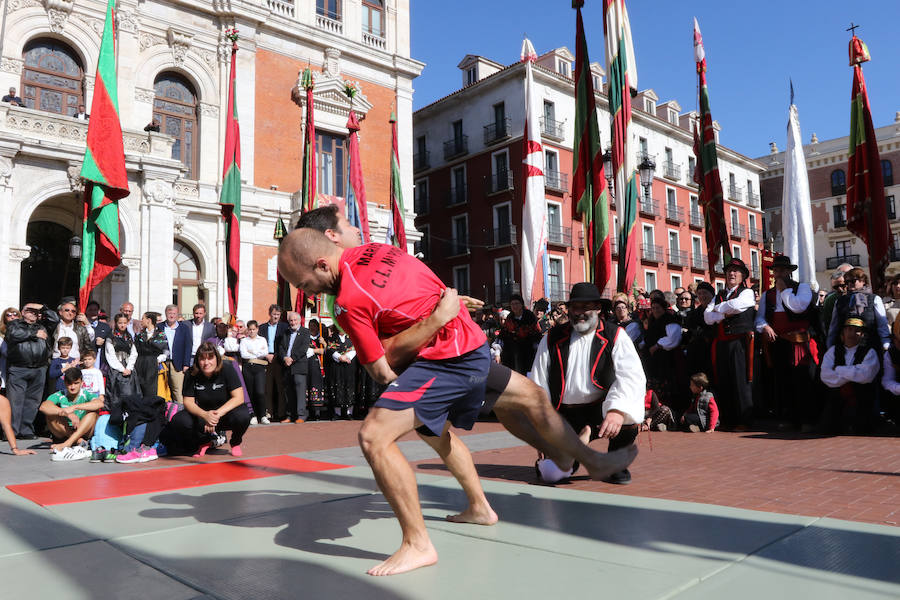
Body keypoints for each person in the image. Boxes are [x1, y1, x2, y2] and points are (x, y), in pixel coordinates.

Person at [278, 229, 637, 576]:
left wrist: (434, 323)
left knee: (374, 437)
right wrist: (444, 308)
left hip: (444, 360)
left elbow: (382, 369)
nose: (306, 293)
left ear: (322, 264)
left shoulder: (346, 302)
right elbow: (416, 289)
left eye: (304, 284)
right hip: (469, 342)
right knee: (516, 402)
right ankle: (489, 503)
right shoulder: (381, 249)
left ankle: (417, 544)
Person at [529, 283, 645, 484]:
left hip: (600, 409)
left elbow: (631, 376)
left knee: (627, 418)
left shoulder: (615, 335)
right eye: (575, 307)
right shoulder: (551, 338)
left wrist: (616, 411)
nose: (580, 313)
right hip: (564, 415)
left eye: (586, 307)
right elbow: (538, 384)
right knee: (553, 475)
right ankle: (572, 450)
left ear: (598, 308)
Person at [755, 255, 818, 429]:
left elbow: (798, 307)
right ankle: (789, 418)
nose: (778, 273)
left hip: (799, 343)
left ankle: (807, 419)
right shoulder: (767, 295)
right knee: (782, 381)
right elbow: (760, 318)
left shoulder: (802, 288)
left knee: (802, 380)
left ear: (789, 271)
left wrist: (784, 291)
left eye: (782, 270)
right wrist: (765, 326)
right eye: (776, 270)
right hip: (779, 343)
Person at [162, 342, 250, 457]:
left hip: (225, 413)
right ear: (197, 360)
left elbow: (239, 398)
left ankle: (235, 442)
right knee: (179, 420)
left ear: (217, 358)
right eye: (202, 359)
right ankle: (204, 441)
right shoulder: (191, 373)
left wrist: (216, 415)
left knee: (243, 416)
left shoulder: (227, 368)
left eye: (210, 358)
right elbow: (188, 402)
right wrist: (205, 415)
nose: (206, 362)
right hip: (203, 415)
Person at [704, 258, 756, 430]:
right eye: (729, 271)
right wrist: (724, 313)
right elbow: (707, 317)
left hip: (739, 343)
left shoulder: (746, 292)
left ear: (742, 276)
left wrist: (718, 309)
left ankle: (744, 420)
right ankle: (728, 419)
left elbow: (738, 305)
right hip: (722, 344)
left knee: (741, 380)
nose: (731, 274)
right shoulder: (719, 294)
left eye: (735, 271)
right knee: (724, 379)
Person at [6, 302, 59, 438]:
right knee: (15, 401)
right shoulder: (15, 324)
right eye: (29, 310)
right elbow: (13, 335)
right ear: (23, 313)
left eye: (35, 311)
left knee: (33, 401)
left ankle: (26, 430)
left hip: (39, 368)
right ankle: (12, 431)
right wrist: (34, 334)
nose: (33, 313)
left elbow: (55, 319)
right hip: (19, 368)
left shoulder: (42, 326)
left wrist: (43, 307)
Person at [820, 317, 879, 434]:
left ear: (862, 335)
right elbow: (825, 376)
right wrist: (854, 373)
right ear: (843, 332)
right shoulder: (833, 351)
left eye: (857, 331)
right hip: (836, 403)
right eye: (849, 329)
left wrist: (837, 369)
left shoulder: (870, 352)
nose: (852, 333)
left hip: (861, 402)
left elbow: (866, 376)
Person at [39, 368, 102, 459]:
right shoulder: (60, 394)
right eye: (69, 384)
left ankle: (68, 443)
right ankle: (77, 440)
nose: (72, 387)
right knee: (50, 414)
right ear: (65, 383)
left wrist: (74, 407)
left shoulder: (86, 394)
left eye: (76, 383)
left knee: (93, 414)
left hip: (83, 431)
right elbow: (43, 407)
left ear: (82, 382)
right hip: (65, 432)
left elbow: (99, 403)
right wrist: (67, 414)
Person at [827, 268, 891, 352]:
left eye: (853, 281)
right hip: (845, 348)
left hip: (870, 346)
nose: (849, 284)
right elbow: (834, 327)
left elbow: (882, 324)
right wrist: (830, 346)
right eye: (847, 282)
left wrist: (886, 343)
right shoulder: (840, 301)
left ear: (863, 281)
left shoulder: (874, 299)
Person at [276, 311, 311, 423]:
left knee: (300, 391)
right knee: (288, 391)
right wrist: (285, 358)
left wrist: (292, 358)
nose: (293, 322)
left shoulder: (305, 332)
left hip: (299, 365)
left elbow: (303, 349)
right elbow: (281, 347)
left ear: (299, 321)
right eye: (291, 320)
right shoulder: (286, 333)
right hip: (287, 366)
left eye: (295, 320)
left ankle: (301, 415)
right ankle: (290, 415)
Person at [258, 304, 288, 422]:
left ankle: (281, 413)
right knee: (267, 387)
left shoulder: (284, 327)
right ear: (269, 314)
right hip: (266, 359)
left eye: (278, 315)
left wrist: (277, 355)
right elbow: (259, 343)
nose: (276, 317)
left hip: (279, 359)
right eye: (274, 314)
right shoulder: (262, 328)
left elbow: (285, 344)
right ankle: (268, 412)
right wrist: (266, 355)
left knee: (280, 387)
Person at [499, 294, 542, 375]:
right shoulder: (509, 318)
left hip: (528, 351)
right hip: (513, 353)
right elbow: (504, 335)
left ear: (521, 304)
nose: (514, 306)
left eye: (516, 303)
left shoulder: (530, 316)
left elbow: (536, 333)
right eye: (512, 304)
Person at [105, 314, 140, 407]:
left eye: (124, 323)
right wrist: (121, 369)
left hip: (128, 367)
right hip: (116, 368)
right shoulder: (111, 337)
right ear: (116, 323)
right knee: (116, 393)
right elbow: (110, 355)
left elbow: (134, 353)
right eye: (120, 323)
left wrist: (129, 368)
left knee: (130, 392)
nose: (122, 325)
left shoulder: (129, 337)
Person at [159, 304, 191, 403]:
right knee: (163, 390)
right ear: (166, 314)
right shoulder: (159, 327)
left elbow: (188, 346)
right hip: (162, 363)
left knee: (178, 390)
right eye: (169, 313)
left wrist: (186, 364)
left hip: (178, 364)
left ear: (177, 314)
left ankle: (180, 410)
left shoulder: (184, 328)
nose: (171, 315)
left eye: (174, 313)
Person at [240, 320, 270, 424]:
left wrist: (252, 352)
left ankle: (263, 415)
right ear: (247, 330)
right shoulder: (244, 341)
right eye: (250, 329)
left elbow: (265, 352)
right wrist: (257, 353)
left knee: (260, 392)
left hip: (259, 367)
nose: (252, 331)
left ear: (257, 329)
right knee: (250, 392)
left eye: (254, 329)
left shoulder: (262, 340)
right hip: (248, 367)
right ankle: (253, 415)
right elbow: (244, 354)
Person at [134, 312, 168, 397]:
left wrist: (158, 360)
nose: (141, 321)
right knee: (140, 387)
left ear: (149, 320)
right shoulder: (140, 335)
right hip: (140, 363)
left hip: (153, 363)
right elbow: (135, 350)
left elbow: (166, 350)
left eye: (143, 318)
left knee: (152, 388)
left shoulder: (160, 334)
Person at [328, 328, 357, 419]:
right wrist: (339, 357)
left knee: (349, 386)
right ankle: (338, 412)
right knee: (337, 386)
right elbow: (330, 349)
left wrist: (347, 356)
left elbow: (355, 348)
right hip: (337, 366)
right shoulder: (332, 338)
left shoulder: (352, 337)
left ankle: (349, 412)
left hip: (349, 365)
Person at [821, 264, 852, 335]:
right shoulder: (829, 300)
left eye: (842, 286)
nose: (840, 289)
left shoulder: (856, 297)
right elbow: (827, 323)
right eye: (836, 287)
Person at [306, 319, 327, 420]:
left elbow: (328, 351)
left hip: (320, 367)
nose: (312, 328)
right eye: (310, 325)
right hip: (309, 366)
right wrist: (318, 350)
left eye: (314, 325)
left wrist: (324, 344)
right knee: (309, 387)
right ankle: (310, 411)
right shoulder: (306, 337)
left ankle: (318, 411)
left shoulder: (322, 338)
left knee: (319, 387)